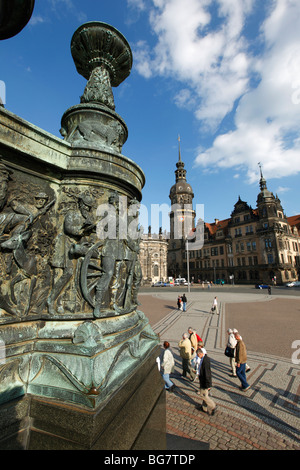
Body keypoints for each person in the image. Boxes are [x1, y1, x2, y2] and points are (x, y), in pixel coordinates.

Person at [195, 348, 217, 415]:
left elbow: (207, 373)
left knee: (203, 395)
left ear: (200, 353)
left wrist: (208, 384)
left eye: (198, 355)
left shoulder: (205, 361)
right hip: (203, 380)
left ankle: (213, 406)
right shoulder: (204, 359)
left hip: (205, 382)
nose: (197, 356)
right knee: (205, 394)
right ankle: (204, 408)